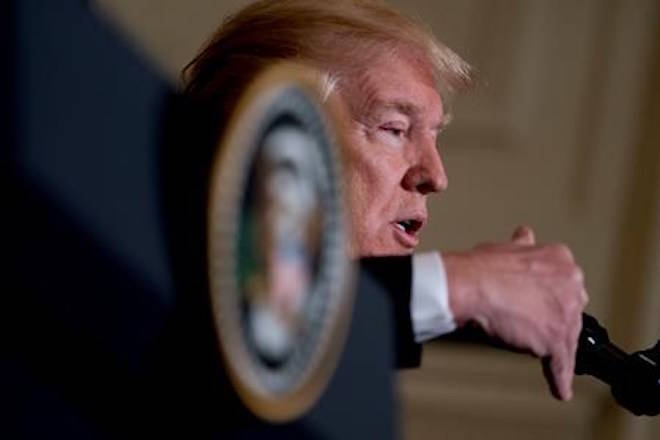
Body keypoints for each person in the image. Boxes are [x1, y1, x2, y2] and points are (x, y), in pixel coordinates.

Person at [182, 0, 588, 402]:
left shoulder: (355, 370)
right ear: (280, 135)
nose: (436, 175)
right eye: (394, 129)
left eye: (434, 135)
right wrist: (464, 287)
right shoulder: (181, 290)